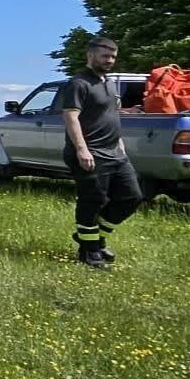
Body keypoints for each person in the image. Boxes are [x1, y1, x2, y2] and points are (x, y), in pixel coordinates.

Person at [62, 36, 141, 269]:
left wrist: (120, 142)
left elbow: (109, 114)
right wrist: (81, 149)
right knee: (93, 200)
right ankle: (89, 252)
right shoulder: (78, 83)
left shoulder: (109, 82)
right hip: (90, 153)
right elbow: (70, 117)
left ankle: (95, 237)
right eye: (105, 56)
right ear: (90, 55)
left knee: (132, 197)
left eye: (113, 57)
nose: (109, 60)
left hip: (115, 152)